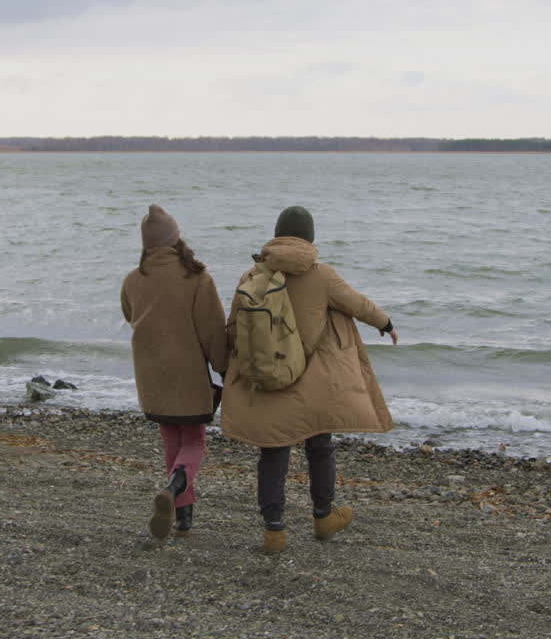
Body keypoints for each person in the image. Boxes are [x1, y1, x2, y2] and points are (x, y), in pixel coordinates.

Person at [221, 206, 398, 555]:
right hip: (314, 382)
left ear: (276, 235)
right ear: (310, 238)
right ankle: (323, 516)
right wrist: (386, 324)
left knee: (273, 452)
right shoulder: (323, 276)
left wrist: (226, 366)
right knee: (320, 446)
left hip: (268, 380)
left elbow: (233, 327)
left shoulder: (252, 275)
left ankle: (274, 531)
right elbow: (358, 305)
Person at [120, 204, 228, 540]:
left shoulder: (132, 280)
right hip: (188, 374)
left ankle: (183, 517)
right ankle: (175, 486)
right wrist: (225, 368)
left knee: (171, 441)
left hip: (151, 374)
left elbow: (129, 314)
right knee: (193, 441)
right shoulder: (196, 278)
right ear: (175, 239)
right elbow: (213, 331)